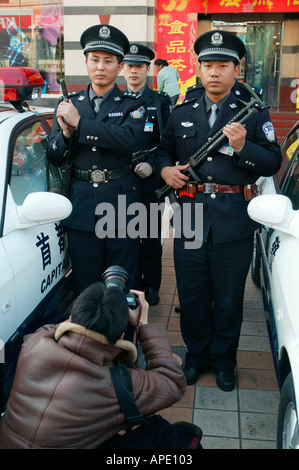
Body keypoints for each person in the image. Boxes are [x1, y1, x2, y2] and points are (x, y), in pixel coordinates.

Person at [154, 30, 282, 391]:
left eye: (222, 65)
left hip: (233, 217)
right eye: (207, 65)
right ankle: (196, 357)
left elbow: (273, 161)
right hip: (190, 214)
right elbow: (163, 151)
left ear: (235, 70)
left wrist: (243, 147)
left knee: (227, 297)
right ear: (198, 68)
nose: (214, 72)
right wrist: (165, 169)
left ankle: (225, 361)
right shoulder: (183, 110)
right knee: (192, 294)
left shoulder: (254, 114)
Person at [0, 281, 202, 449]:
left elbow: (59, 328)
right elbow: (173, 383)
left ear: (73, 317)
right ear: (122, 336)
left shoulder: (35, 342)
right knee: (162, 431)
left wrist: (93, 308)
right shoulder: (117, 384)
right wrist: (143, 324)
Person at [46, 25, 147, 295]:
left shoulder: (132, 103)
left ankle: (126, 337)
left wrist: (79, 124)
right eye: (95, 59)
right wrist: (66, 135)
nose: (100, 66)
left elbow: (127, 139)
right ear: (86, 62)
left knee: (122, 286)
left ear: (120, 66)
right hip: (81, 207)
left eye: (108, 60)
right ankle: (88, 338)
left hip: (121, 206)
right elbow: (54, 156)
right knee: (86, 285)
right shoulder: (70, 102)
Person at [123, 44, 172, 306]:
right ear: (123, 68)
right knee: (125, 238)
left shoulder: (160, 101)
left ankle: (151, 285)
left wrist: (153, 163)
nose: (133, 70)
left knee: (150, 238)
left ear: (148, 69)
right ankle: (131, 286)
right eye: (129, 65)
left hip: (150, 183)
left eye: (139, 66)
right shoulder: (115, 101)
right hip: (121, 183)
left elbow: (169, 142)